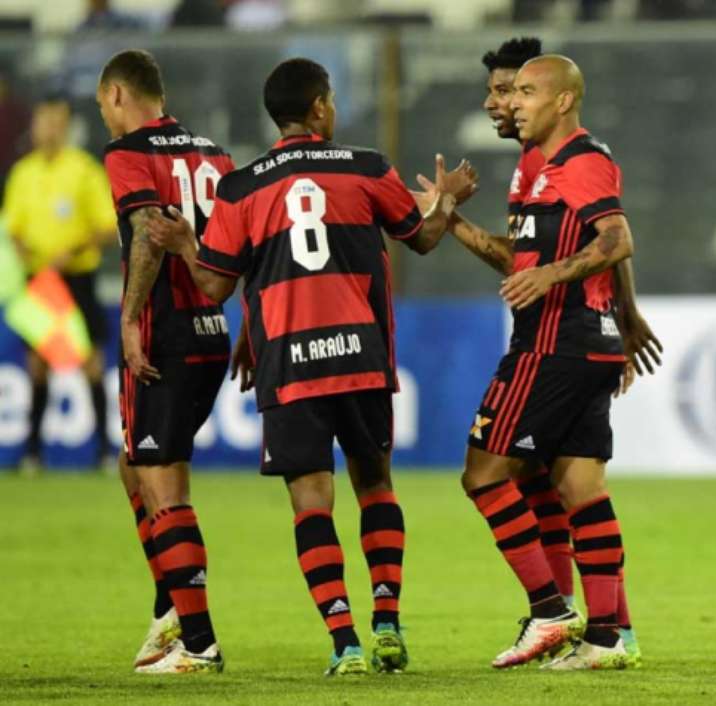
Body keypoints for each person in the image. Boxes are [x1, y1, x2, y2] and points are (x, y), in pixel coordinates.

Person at [146, 57, 477, 675]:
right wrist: (449, 201)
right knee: (375, 485)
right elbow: (424, 238)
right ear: (320, 107)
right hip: (361, 356)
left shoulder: (242, 187)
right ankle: (387, 624)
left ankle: (344, 642)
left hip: (290, 364)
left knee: (312, 504)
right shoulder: (368, 166)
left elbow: (215, 286)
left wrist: (188, 246)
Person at [415, 37, 662, 668]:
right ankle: (608, 638)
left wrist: (555, 280)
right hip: (580, 344)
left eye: (524, 92)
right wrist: (450, 217)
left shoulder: (580, 159)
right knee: (580, 486)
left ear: (563, 99)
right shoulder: (536, 166)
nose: (511, 104)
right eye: (509, 92)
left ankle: (551, 612)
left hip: (553, 345)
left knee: (484, 475)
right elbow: (519, 258)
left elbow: (617, 237)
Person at [96, 49, 235, 674]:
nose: (103, 115)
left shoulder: (128, 153)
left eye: (103, 104)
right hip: (212, 328)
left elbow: (151, 227)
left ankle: (198, 643)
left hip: (164, 334)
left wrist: (129, 319)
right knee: (137, 465)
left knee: (160, 478)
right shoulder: (215, 153)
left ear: (119, 95)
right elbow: (241, 244)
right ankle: (168, 609)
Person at [3, 94, 116, 472]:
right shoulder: (23, 173)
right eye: (44, 121)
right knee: (37, 363)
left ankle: (103, 452)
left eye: (56, 121)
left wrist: (71, 250)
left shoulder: (84, 170)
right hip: (41, 279)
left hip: (77, 276)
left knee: (92, 363)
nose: (49, 128)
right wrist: (23, 249)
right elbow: (13, 226)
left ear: (66, 126)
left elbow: (105, 225)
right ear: (34, 126)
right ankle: (33, 453)